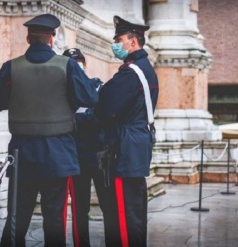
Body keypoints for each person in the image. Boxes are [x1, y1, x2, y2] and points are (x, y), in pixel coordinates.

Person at [0, 14, 101, 247]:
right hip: (57, 153)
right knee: (53, 218)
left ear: (28, 38)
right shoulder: (68, 66)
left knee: (17, 217)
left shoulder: (11, 67)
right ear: (52, 39)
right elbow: (89, 97)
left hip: (22, 154)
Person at [96, 16, 159, 247]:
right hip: (135, 144)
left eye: (119, 39)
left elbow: (105, 105)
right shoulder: (143, 68)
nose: (116, 44)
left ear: (133, 42)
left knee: (123, 213)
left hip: (125, 148)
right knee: (133, 209)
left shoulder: (132, 72)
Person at [62, 48, 104, 247]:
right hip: (75, 158)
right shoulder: (63, 92)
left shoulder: (96, 86)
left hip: (98, 157)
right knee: (80, 207)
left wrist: (78, 119)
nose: (77, 65)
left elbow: (100, 117)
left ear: (85, 65)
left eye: (79, 61)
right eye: (72, 62)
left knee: (108, 204)